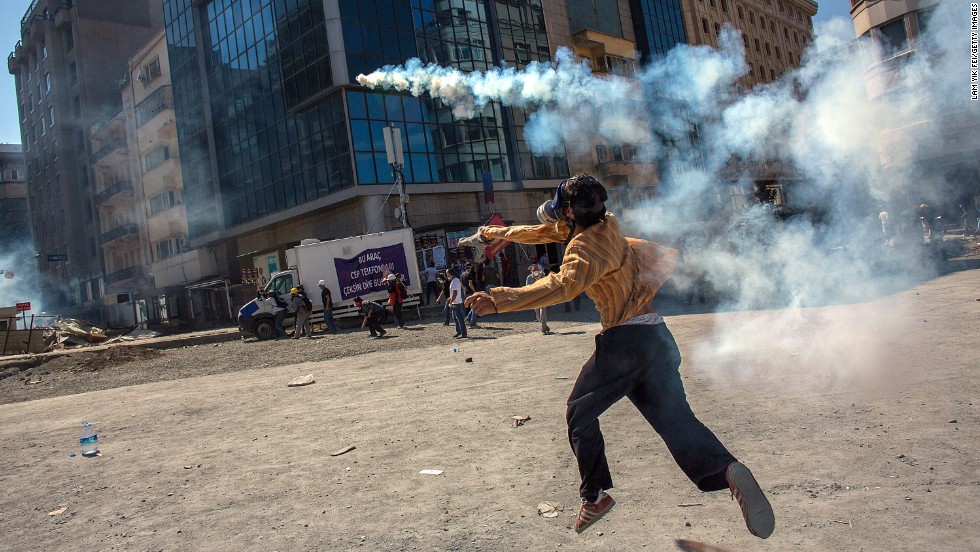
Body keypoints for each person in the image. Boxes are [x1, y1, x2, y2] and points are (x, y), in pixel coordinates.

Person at [462, 174, 774, 537]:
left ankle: (593, 495)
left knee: (579, 413)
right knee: (677, 423)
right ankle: (726, 471)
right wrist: (493, 234)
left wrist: (499, 300)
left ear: (568, 212)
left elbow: (563, 286)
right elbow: (543, 232)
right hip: (656, 337)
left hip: (625, 342)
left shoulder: (582, 251)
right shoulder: (607, 223)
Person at [525, 264, 549, 334]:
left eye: (537, 271)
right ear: (532, 272)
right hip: (534, 297)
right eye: (534, 272)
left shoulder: (542, 275)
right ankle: (545, 326)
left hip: (542, 296)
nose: (536, 273)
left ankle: (543, 328)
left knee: (543, 313)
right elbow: (527, 288)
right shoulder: (529, 278)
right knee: (538, 316)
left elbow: (546, 284)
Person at [446, 267, 467, 338]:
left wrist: (450, 302)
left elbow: (455, 293)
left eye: (447, 274)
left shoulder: (454, 282)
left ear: (450, 274)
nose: (447, 275)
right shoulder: (456, 280)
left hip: (456, 302)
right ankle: (459, 331)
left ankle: (463, 333)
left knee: (459, 318)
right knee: (455, 318)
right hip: (457, 301)